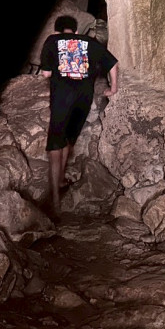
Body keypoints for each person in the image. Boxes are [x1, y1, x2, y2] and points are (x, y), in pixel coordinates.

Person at [40, 14, 119, 213]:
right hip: (83, 99)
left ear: (57, 31)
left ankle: (55, 200)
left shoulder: (52, 40)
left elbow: (46, 73)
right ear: (75, 31)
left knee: (55, 144)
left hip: (62, 98)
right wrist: (113, 89)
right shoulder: (90, 42)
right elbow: (113, 64)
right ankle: (60, 180)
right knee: (69, 139)